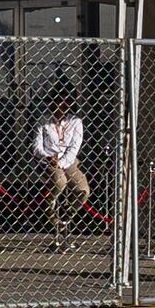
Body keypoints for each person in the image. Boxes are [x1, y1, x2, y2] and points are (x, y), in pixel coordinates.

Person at [32, 88, 94, 232]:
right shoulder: (43, 120)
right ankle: (49, 208)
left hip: (67, 160)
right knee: (60, 181)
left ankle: (68, 214)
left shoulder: (76, 122)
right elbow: (36, 146)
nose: (60, 106)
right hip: (48, 160)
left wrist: (61, 162)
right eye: (58, 102)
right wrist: (47, 157)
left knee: (83, 190)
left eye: (65, 103)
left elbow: (74, 148)